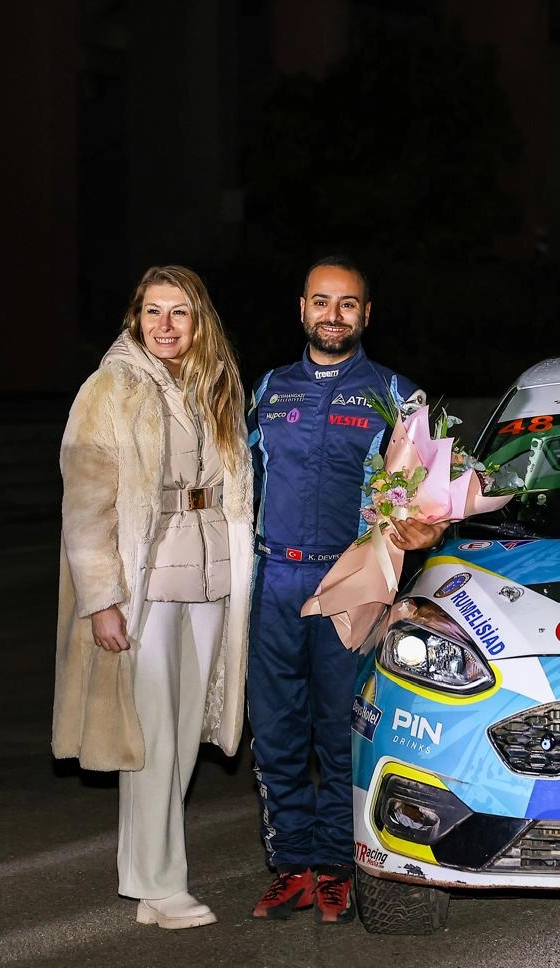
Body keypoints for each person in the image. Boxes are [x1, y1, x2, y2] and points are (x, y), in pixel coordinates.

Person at [246, 255, 445, 924]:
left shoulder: (397, 394)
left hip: (352, 580)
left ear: (366, 314)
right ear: (302, 309)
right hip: (275, 578)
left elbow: (429, 496)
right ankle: (290, 865)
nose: (333, 315)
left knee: (340, 730)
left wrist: (423, 525)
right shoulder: (267, 389)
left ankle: (333, 866)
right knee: (276, 729)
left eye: (348, 304)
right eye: (321, 302)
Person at [54, 265, 254, 930]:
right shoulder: (110, 388)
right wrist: (102, 599)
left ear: (200, 321)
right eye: (153, 312)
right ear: (135, 318)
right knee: (151, 737)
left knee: (187, 733)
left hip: (213, 575)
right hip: (146, 581)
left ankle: (150, 879)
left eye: (179, 313)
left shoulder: (216, 384)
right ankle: (159, 884)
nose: (165, 326)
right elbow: (85, 505)